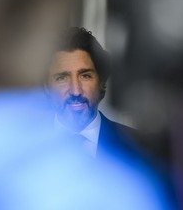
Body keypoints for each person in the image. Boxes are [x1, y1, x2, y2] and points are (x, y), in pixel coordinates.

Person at [46, 27, 141, 159]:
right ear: (46, 87)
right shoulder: (22, 149)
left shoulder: (137, 147)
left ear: (101, 82)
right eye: (62, 78)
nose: (75, 91)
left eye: (85, 76)